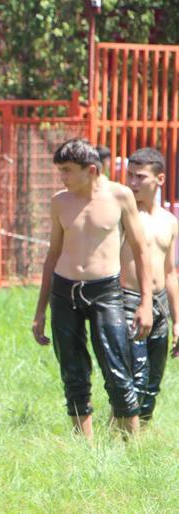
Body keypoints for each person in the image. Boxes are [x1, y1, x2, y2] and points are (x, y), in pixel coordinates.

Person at [32, 138, 153, 440]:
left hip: (106, 291)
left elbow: (141, 250)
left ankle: (130, 448)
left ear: (91, 170)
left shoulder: (120, 196)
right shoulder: (60, 201)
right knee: (73, 372)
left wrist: (146, 303)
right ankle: (83, 448)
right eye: (60, 170)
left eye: (67, 171)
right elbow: (52, 254)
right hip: (65, 290)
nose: (62, 177)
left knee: (117, 370)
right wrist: (40, 311)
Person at [121, 147, 179, 423]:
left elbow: (170, 273)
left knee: (152, 384)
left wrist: (177, 321)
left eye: (140, 176)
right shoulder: (124, 216)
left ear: (160, 179)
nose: (132, 182)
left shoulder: (169, 221)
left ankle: (138, 439)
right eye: (130, 175)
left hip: (160, 305)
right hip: (129, 302)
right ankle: (121, 436)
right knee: (135, 379)